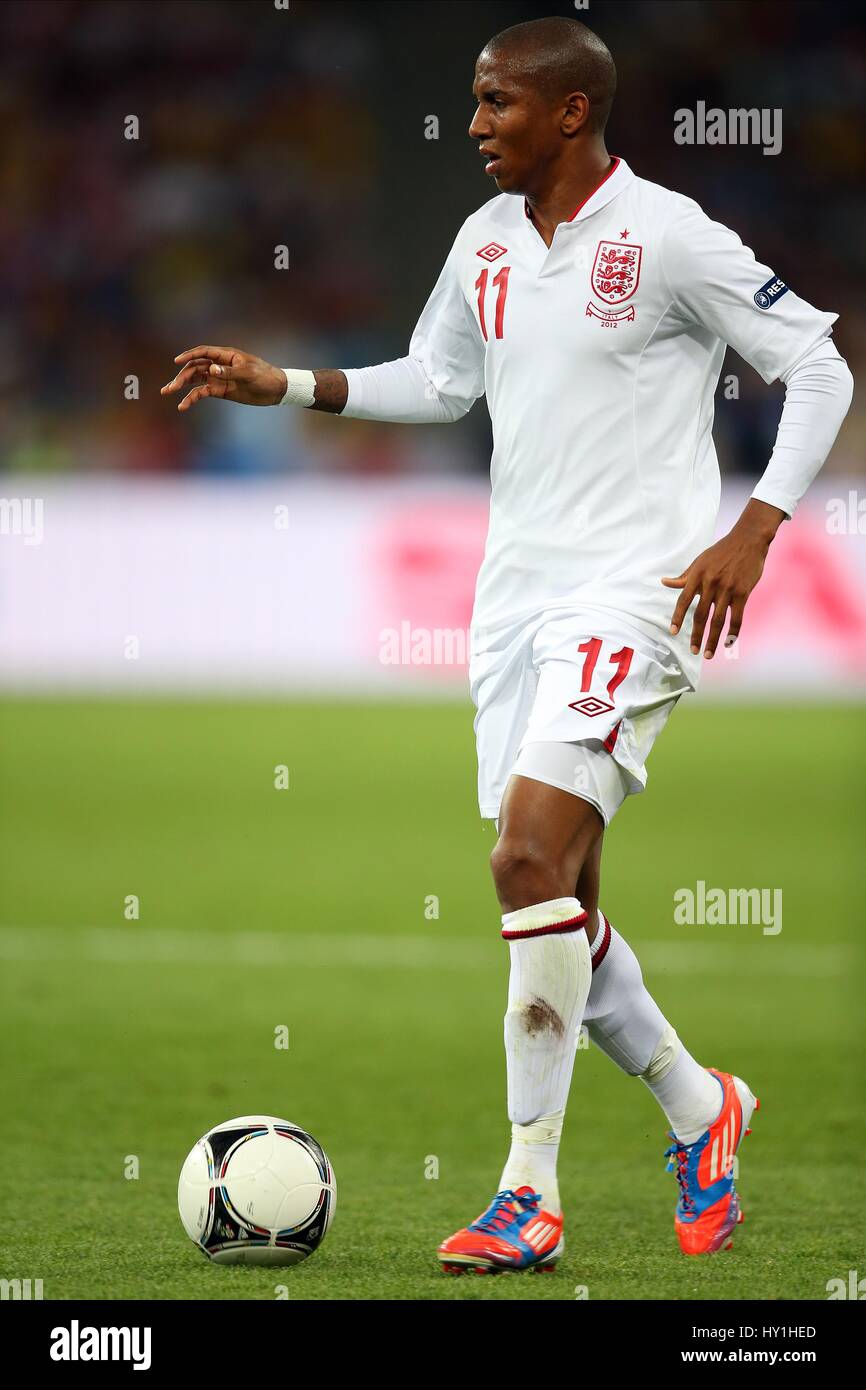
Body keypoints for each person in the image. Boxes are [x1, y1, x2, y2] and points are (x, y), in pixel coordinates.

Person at [161, 16, 852, 1272]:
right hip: (511, 601)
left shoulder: (669, 237)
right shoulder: (483, 238)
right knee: (558, 900)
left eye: (494, 104)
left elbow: (815, 364)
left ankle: (525, 1195)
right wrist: (292, 385)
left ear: (570, 113)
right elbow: (439, 379)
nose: (472, 123)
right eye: (473, 103)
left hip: (633, 595)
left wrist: (756, 528)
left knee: (521, 856)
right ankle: (704, 1109)